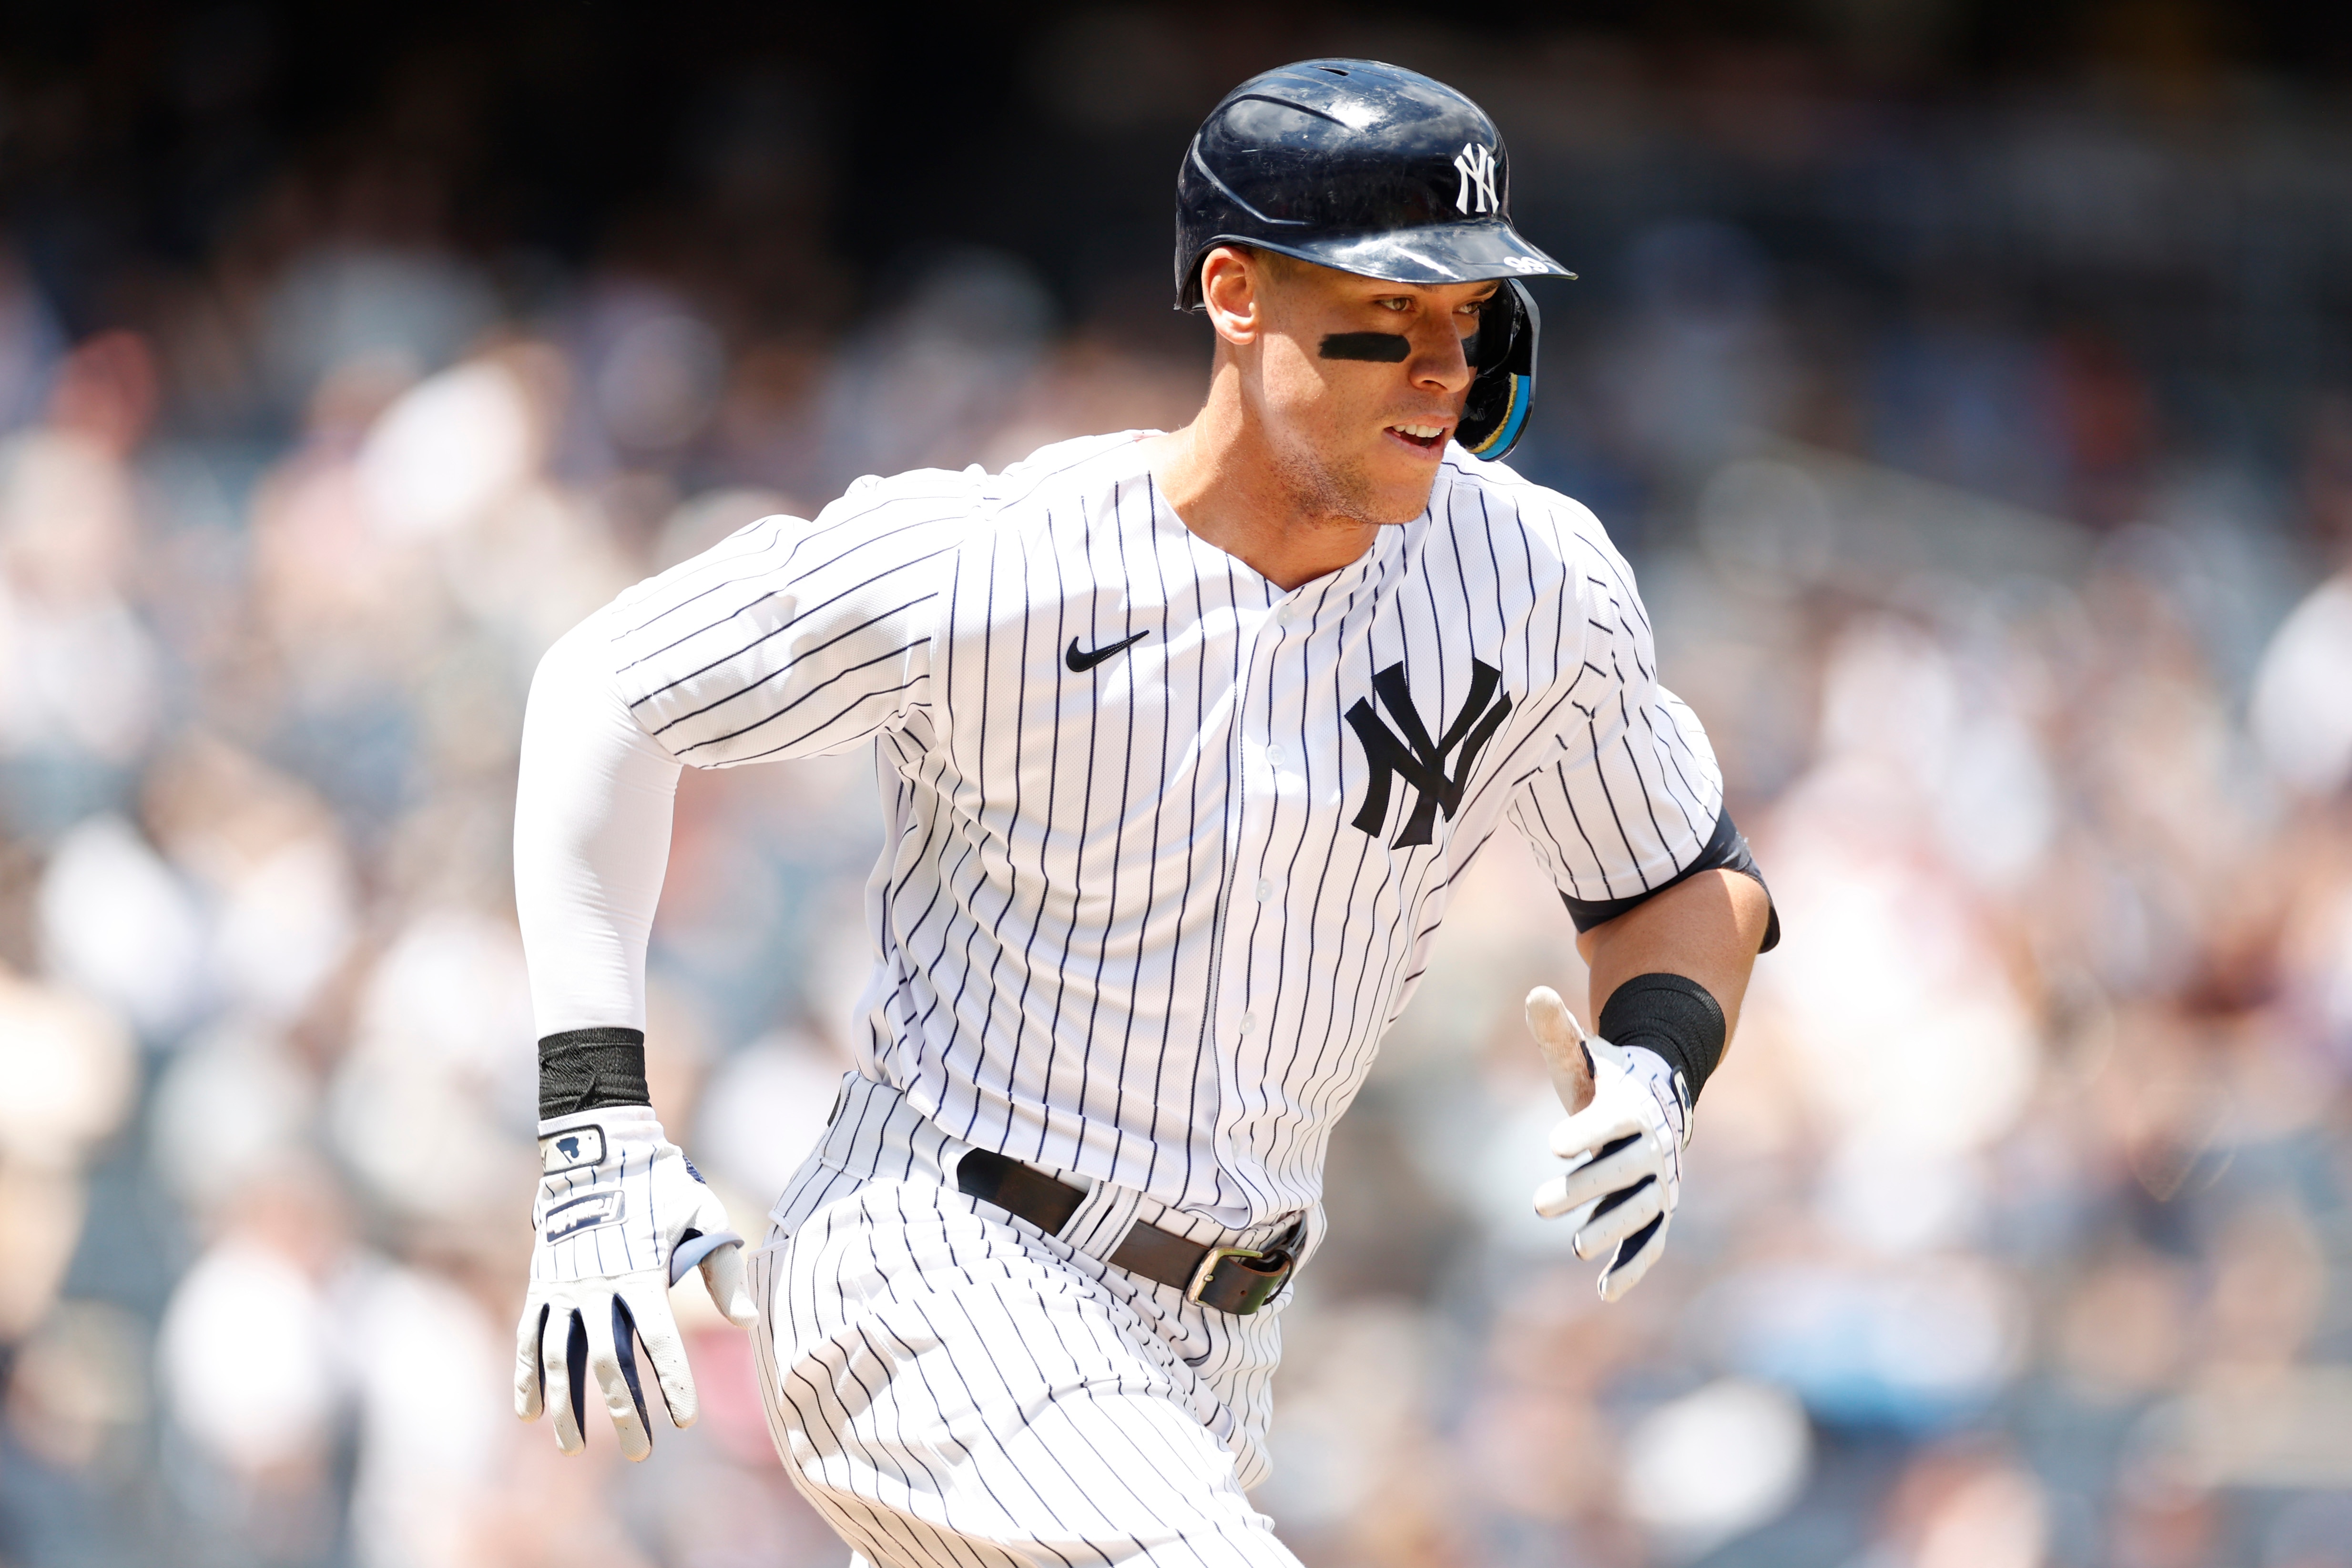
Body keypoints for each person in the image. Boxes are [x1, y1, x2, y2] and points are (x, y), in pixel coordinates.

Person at [509, 58, 1778, 1566]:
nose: (1447, 362)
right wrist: (594, 1116)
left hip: (1215, 1345)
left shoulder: (1537, 583)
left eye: (1475, 312)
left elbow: (1687, 885)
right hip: (936, 1256)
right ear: (1236, 293)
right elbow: (609, 687)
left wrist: (1659, 1058)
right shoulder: (1003, 561)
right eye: (1398, 309)